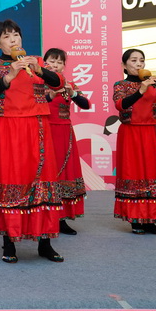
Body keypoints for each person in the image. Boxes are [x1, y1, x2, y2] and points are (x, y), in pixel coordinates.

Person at [0, 19, 65, 263]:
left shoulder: (36, 61)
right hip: (7, 128)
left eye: (16, 35)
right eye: (6, 37)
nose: (13, 40)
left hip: (37, 126)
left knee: (42, 181)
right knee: (10, 180)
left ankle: (45, 242)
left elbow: (58, 82)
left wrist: (40, 70)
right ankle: (9, 243)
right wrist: (10, 75)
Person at [113, 49, 156, 234]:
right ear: (124, 66)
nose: (139, 63)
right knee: (133, 173)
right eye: (134, 60)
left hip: (151, 133)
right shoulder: (121, 85)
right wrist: (140, 90)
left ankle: (151, 219)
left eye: (141, 60)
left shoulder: (153, 85)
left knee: (152, 174)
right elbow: (120, 105)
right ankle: (135, 220)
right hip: (131, 133)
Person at [43, 48, 89, 235]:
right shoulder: (37, 84)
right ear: (44, 63)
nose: (55, 65)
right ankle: (44, 217)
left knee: (64, 174)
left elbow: (86, 104)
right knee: (46, 174)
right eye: (52, 61)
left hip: (64, 135)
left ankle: (61, 219)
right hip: (44, 133)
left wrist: (74, 94)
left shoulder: (69, 85)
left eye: (60, 62)